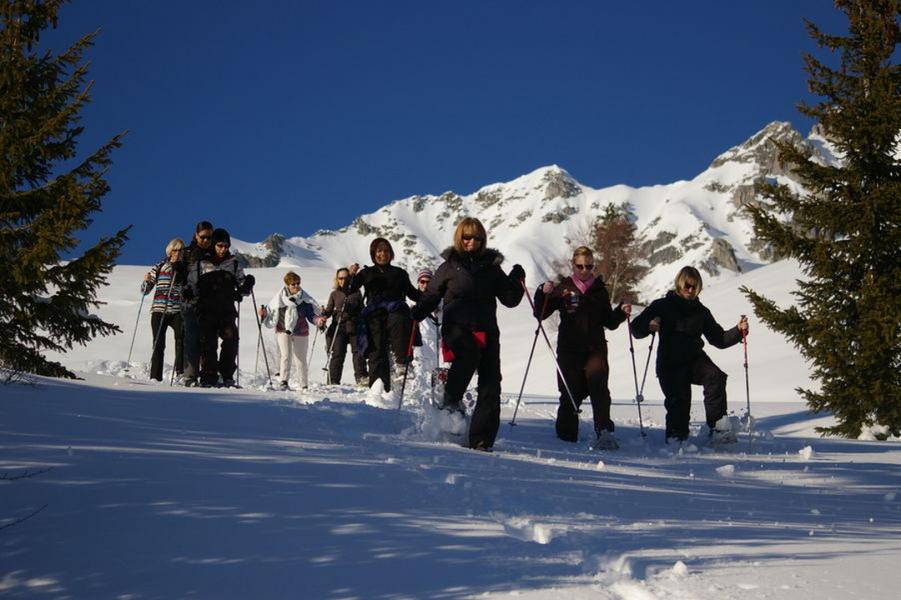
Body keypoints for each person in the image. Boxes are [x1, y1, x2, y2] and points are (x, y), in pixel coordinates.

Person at [411, 217, 525, 452]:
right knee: (469, 355)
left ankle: (481, 440)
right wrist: (416, 313)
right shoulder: (450, 266)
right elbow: (432, 295)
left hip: (487, 330)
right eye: (466, 237)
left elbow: (510, 300)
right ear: (459, 238)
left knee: (491, 385)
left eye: (476, 237)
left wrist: (516, 279)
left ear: (482, 240)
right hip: (457, 327)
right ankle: (451, 398)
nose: (471, 241)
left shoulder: (492, 267)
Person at [630, 265, 749, 443]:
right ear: (679, 284)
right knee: (679, 404)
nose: (691, 290)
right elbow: (636, 330)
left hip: (694, 360)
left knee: (715, 376)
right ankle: (675, 441)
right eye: (687, 285)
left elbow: (719, 339)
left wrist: (738, 331)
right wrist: (649, 326)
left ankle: (719, 429)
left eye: (695, 286)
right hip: (669, 363)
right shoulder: (662, 306)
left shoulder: (701, 312)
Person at [533, 247, 631, 448]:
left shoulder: (599, 290)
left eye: (589, 266)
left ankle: (604, 432)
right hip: (569, 350)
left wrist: (621, 312)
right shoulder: (563, 288)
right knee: (570, 392)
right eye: (580, 266)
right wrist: (542, 293)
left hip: (595, 349)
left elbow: (609, 322)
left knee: (600, 390)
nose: (584, 270)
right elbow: (541, 314)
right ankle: (566, 437)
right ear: (573, 265)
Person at [346, 238, 421, 392]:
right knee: (376, 351)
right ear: (373, 254)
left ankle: (401, 362)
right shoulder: (366, 273)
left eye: (386, 251)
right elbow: (349, 289)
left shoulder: (400, 273)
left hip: (396, 311)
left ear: (391, 253)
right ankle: (378, 389)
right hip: (374, 315)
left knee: (399, 318)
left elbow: (413, 294)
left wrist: (429, 295)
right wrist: (351, 275)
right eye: (379, 251)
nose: (383, 254)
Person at [185, 228, 254, 387]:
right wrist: (189, 292)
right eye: (220, 245)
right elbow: (191, 284)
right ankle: (209, 376)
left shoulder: (234, 264)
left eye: (226, 246)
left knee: (231, 340)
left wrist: (247, 285)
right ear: (213, 245)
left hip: (226, 310)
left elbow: (242, 284)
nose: (223, 249)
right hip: (206, 310)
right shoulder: (201, 264)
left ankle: (226, 375)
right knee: (208, 344)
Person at [259, 271, 325, 390]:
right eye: (293, 284)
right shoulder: (279, 299)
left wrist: (318, 320)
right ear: (287, 285)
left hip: (301, 330)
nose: (296, 286)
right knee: (285, 355)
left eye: (298, 283)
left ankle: (304, 384)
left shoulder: (304, 299)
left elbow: (311, 315)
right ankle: (284, 381)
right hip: (283, 330)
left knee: (300, 358)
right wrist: (263, 314)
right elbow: (270, 312)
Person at [141, 238, 187, 382]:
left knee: (181, 340)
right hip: (159, 309)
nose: (177, 253)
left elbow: (187, 286)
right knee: (158, 343)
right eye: (175, 250)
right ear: (169, 251)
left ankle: (180, 373)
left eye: (180, 250)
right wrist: (146, 281)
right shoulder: (160, 266)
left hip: (176, 310)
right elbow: (145, 290)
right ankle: (155, 376)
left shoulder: (184, 267)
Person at [321, 268, 368, 385]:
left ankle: (361, 378)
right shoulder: (334, 294)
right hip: (339, 326)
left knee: (358, 354)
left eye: (345, 278)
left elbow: (362, 310)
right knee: (337, 354)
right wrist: (324, 314)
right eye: (340, 278)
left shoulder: (356, 292)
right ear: (337, 280)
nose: (343, 281)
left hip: (354, 326)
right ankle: (333, 381)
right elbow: (329, 311)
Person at [181, 221, 214, 387]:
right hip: (191, 301)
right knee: (192, 338)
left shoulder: (213, 253)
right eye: (203, 237)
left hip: (210, 302)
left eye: (209, 237)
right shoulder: (187, 252)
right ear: (196, 235)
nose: (206, 241)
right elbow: (179, 274)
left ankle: (208, 376)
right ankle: (190, 376)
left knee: (209, 340)